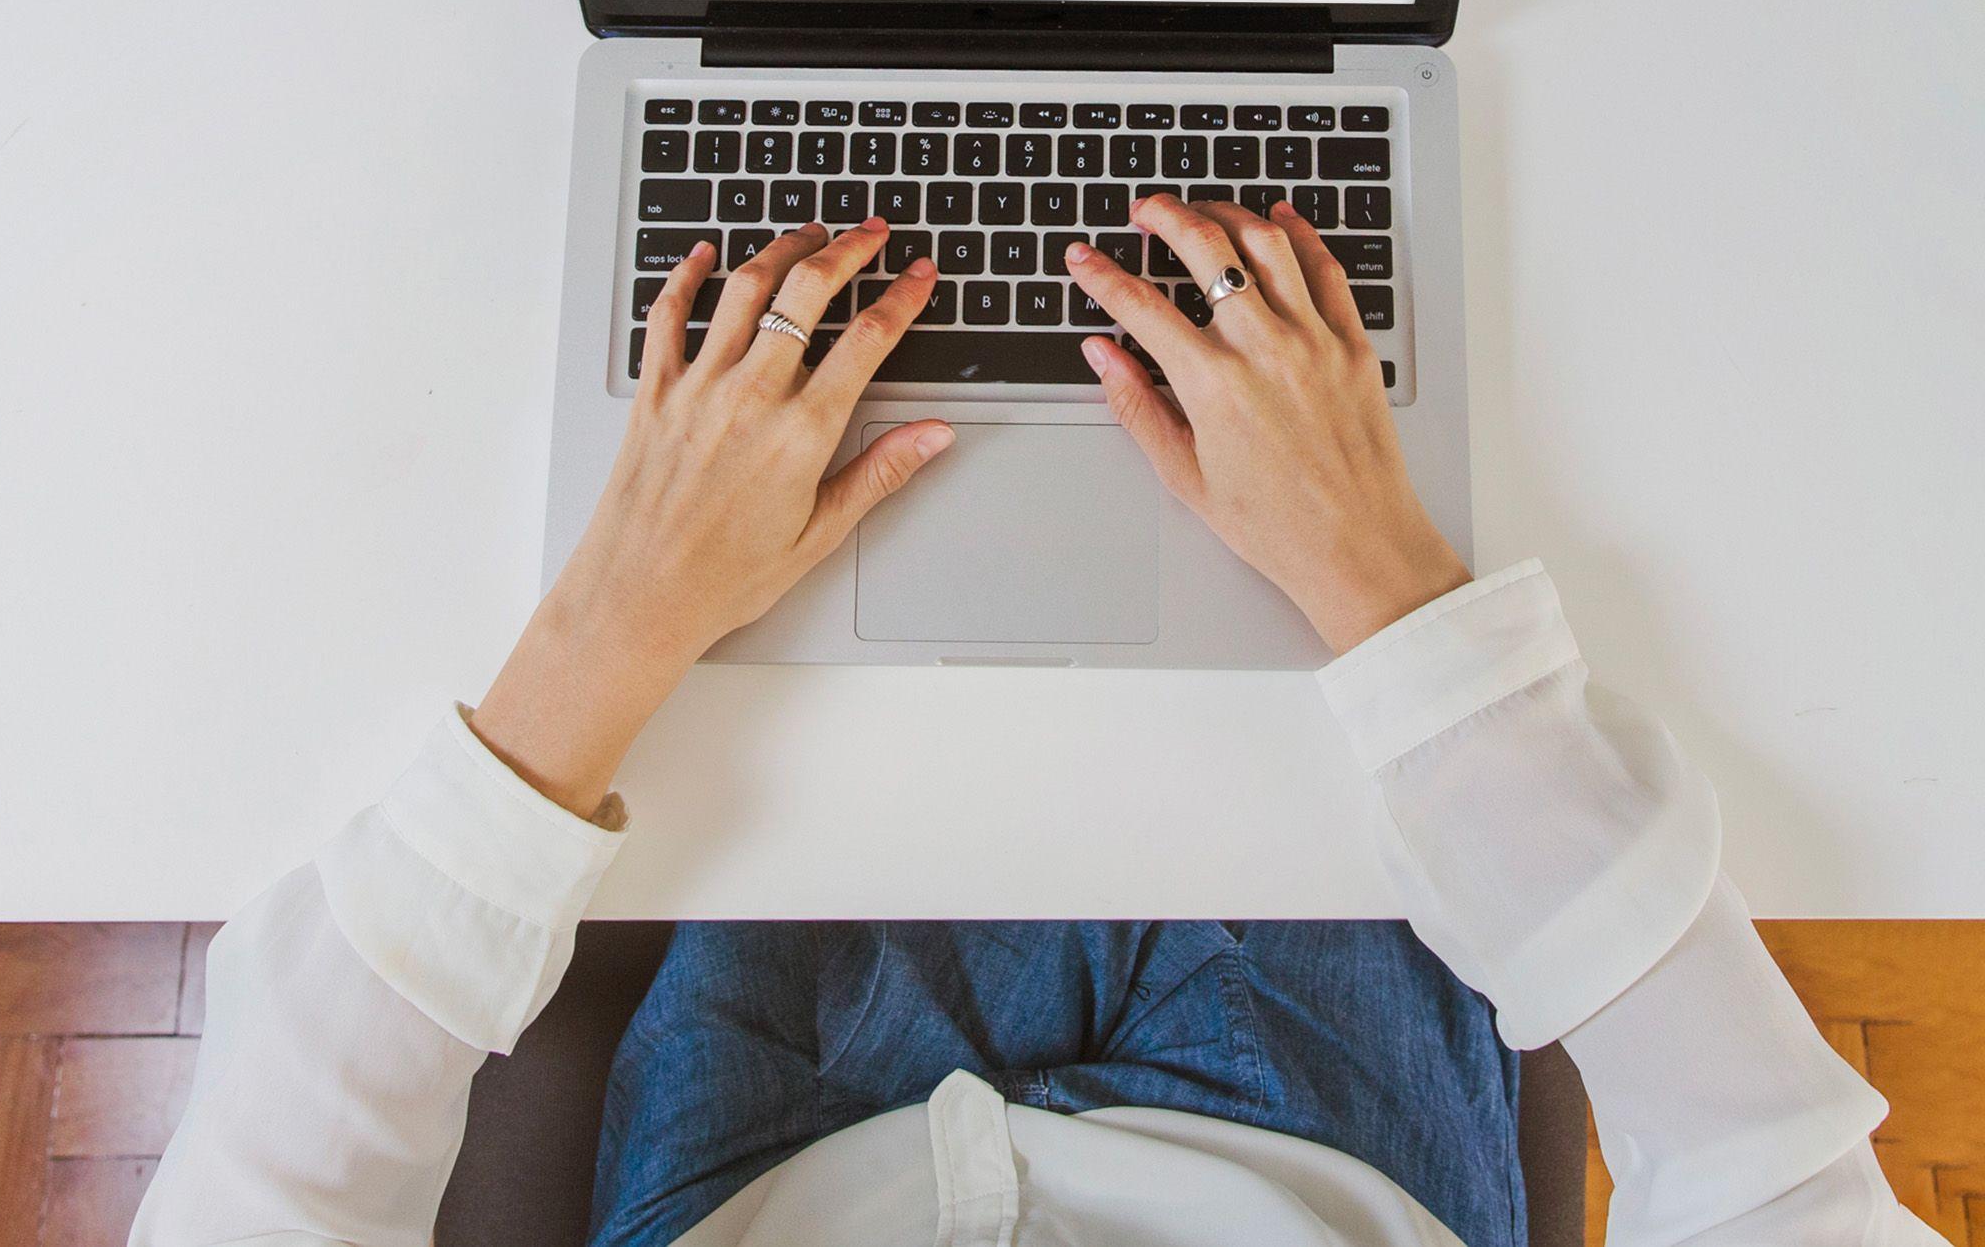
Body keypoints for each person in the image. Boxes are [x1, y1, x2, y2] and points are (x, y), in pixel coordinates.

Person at [130, 203, 1936, 1247]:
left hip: (771, 1154)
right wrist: (1384, 581)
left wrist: (617, 614)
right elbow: (1773, 1178)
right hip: (1329, 1139)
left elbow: (266, 1192)